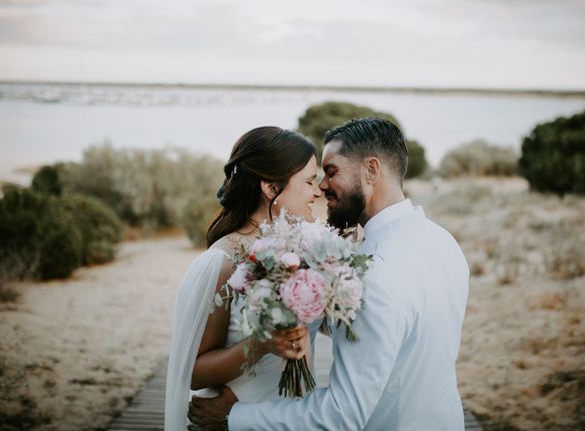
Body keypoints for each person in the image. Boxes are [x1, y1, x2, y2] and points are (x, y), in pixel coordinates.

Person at [187, 118, 470, 430]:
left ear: (371, 171)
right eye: (313, 179)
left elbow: (341, 415)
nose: (321, 186)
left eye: (331, 172)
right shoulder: (443, 243)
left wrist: (233, 416)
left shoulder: (374, 272)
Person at [164, 126, 323, 431]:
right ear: (270, 187)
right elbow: (193, 371)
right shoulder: (221, 262)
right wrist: (262, 345)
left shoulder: (299, 251)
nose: (317, 192)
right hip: (237, 420)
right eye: (308, 181)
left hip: (290, 415)